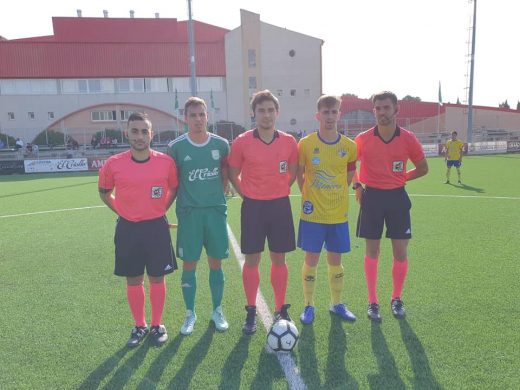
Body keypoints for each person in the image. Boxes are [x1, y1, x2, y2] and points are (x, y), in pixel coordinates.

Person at [98, 112, 178, 347]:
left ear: (151, 134)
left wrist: (161, 208)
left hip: (156, 227)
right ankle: (139, 325)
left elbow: (173, 187)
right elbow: (104, 192)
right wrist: (121, 211)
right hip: (128, 229)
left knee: (157, 277)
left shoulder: (166, 162)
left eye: (145, 131)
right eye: (135, 131)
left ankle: (157, 325)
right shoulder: (114, 164)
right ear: (127, 133)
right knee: (133, 279)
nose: (140, 136)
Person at [353, 91, 428, 322]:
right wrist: (357, 185)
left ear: (396, 110)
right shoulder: (363, 138)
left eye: (386, 108)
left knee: (400, 252)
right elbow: (349, 164)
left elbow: (423, 168)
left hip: (397, 199)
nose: (381, 112)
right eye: (377, 108)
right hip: (372, 197)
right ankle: (372, 301)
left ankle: (396, 298)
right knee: (372, 251)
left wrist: (402, 177)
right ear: (373, 110)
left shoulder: (408, 138)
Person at [228, 89, 298, 335]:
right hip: (253, 207)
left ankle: (281, 308)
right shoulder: (242, 141)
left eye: (270, 110)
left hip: (279, 206)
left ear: (277, 113)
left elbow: (294, 170)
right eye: (261, 110)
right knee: (253, 259)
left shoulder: (289, 142)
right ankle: (250, 310)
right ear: (253, 113)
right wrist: (245, 192)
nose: (266, 115)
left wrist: (281, 188)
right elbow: (232, 171)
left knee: (280, 258)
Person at [167, 97, 230, 335]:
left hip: (214, 212)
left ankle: (217, 310)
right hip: (190, 214)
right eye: (193, 115)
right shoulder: (176, 147)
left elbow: (225, 175)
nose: (198, 119)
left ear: (207, 116)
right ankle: (190, 313)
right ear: (186, 118)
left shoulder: (221, 144)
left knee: (216, 262)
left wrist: (218, 196)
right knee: (189, 264)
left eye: (201, 115)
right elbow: (173, 183)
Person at [297, 95, 358, 325]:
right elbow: (299, 175)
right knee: (311, 258)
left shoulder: (349, 147)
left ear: (339, 114)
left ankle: (336, 303)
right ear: (318, 115)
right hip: (313, 214)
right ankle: (308, 305)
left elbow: (348, 177)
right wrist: (311, 195)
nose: (330, 116)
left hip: (338, 213)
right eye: (326, 112)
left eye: (334, 112)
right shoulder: (305, 144)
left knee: (335, 259)